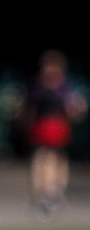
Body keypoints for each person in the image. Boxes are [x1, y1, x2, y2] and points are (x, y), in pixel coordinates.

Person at [22, 50, 85, 217]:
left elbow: (73, 109)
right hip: (45, 127)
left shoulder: (62, 86)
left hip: (55, 127)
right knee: (45, 159)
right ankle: (46, 194)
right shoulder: (43, 85)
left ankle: (49, 192)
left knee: (52, 159)